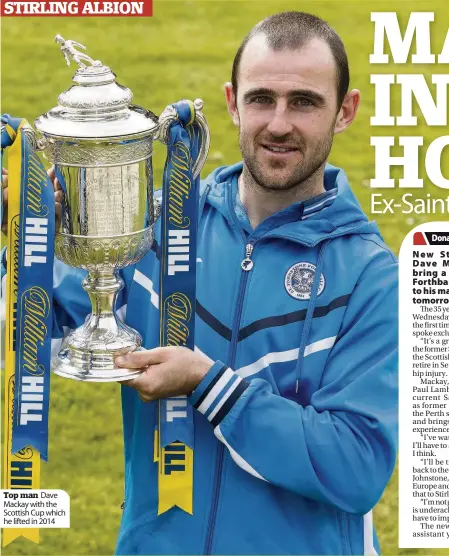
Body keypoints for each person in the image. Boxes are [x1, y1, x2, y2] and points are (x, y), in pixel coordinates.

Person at [2, 11, 398, 555]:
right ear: (233, 102)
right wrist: (21, 239)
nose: (279, 123)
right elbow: (31, 326)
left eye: (304, 102)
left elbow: (356, 466)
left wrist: (210, 385)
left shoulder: (371, 278)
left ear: (344, 111)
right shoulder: (155, 233)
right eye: (262, 99)